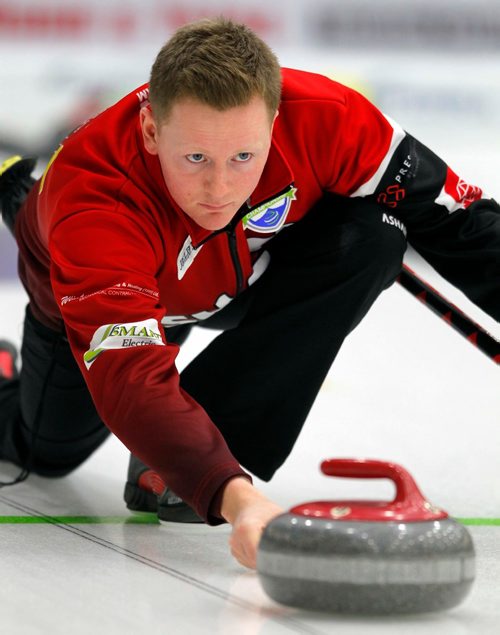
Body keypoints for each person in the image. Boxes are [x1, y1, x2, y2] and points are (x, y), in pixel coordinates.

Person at [0, 17, 499, 570]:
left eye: (244, 157)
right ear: (150, 132)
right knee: (45, 453)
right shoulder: (95, 203)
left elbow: (463, 226)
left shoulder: (328, 118)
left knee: (375, 236)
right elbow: (130, 376)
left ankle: (192, 450)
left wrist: (214, 468)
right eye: (195, 159)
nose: (219, 190)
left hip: (240, 275)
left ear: (275, 122)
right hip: (117, 288)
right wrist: (237, 499)